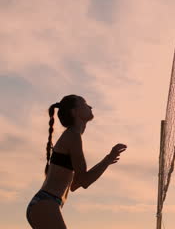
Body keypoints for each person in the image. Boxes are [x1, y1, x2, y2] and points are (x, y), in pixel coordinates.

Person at [26, 95, 127, 228]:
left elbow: (75, 185)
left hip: (45, 204)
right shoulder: (73, 136)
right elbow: (85, 181)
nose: (90, 106)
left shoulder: (73, 136)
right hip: (45, 203)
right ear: (74, 112)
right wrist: (108, 158)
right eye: (84, 103)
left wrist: (108, 159)